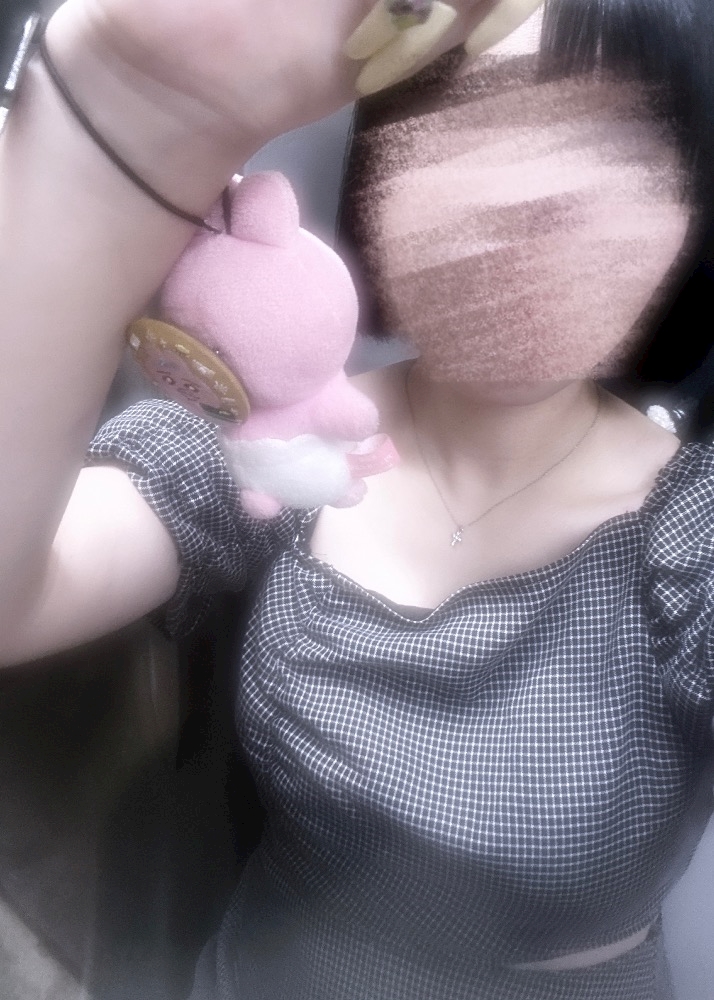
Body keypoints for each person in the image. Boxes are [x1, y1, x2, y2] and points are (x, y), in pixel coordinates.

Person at [1, 0, 713, 998]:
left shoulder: (691, 533)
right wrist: (113, 111)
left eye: (612, 142)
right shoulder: (275, 441)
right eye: (470, 122)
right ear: (382, 177)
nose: (528, 197)